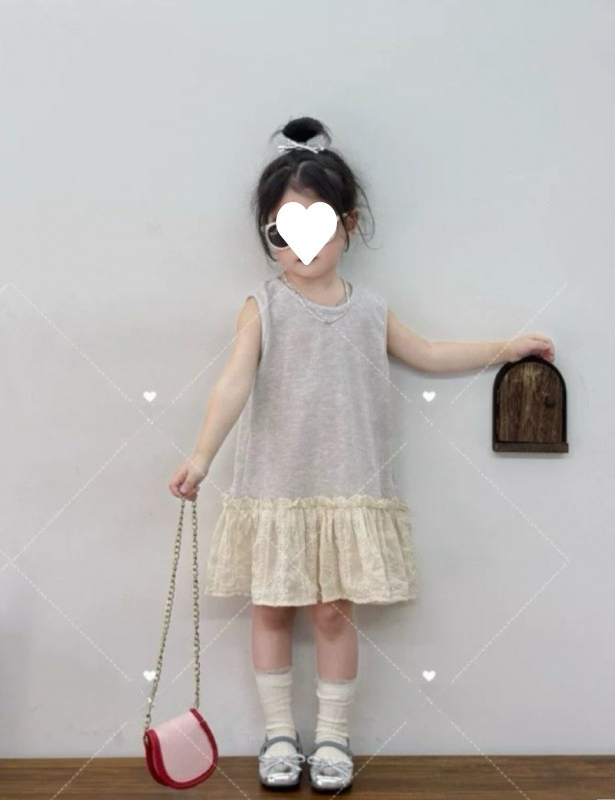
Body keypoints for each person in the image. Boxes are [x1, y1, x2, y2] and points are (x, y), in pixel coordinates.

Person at [168, 115, 555, 792]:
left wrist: (505, 348)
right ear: (269, 236)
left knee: (332, 612)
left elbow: (428, 352)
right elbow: (232, 384)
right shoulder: (263, 306)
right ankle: (279, 735)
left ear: (347, 225)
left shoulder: (370, 310)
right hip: (276, 488)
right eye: (282, 232)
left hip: (347, 486)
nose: (300, 247)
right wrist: (201, 457)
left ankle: (333, 738)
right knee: (271, 609)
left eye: (316, 226)